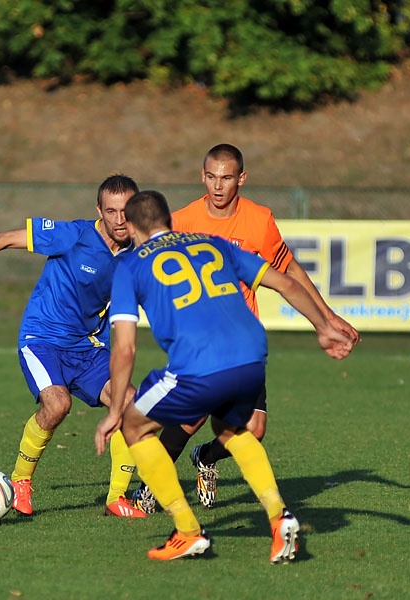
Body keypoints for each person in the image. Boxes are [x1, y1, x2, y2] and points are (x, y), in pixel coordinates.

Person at [94, 190, 354, 561]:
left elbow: (124, 349)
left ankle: (187, 530)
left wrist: (114, 410)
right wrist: (323, 326)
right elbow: (285, 282)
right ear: (169, 219)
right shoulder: (212, 243)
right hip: (252, 356)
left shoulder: (131, 265)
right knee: (231, 429)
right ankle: (279, 518)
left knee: (134, 425)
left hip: (199, 364)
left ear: (133, 227)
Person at [134, 143, 360, 512]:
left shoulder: (259, 220)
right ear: (202, 176)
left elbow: (287, 270)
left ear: (242, 178)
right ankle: (151, 486)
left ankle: (205, 457)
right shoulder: (183, 221)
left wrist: (327, 316)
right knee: (191, 417)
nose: (218, 186)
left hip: (241, 341)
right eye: (211, 177)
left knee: (253, 430)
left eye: (226, 178)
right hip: (197, 339)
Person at [0, 174, 148, 518]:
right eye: (111, 211)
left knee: (131, 404)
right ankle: (21, 481)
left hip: (88, 348)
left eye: (126, 211)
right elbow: (7, 238)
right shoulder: (74, 235)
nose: (119, 219)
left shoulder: (140, 254)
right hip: (42, 339)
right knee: (57, 405)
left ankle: (116, 497)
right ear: (98, 210)